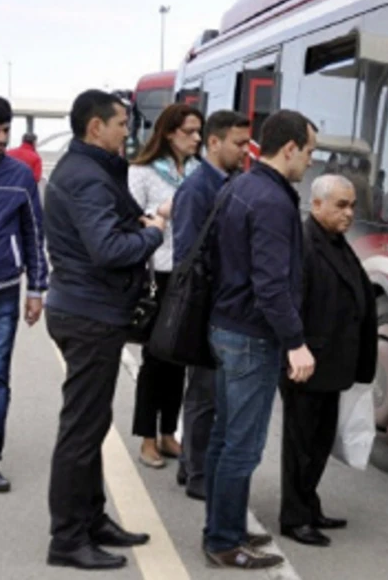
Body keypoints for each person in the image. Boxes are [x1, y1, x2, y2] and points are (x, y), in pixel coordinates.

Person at [43, 90, 165, 571]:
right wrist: (154, 230)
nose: (126, 133)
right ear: (96, 127)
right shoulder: (87, 178)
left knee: (89, 424)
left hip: (88, 309)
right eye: (120, 124)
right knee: (81, 429)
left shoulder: (88, 171)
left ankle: (91, 520)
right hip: (89, 313)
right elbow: (110, 249)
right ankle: (67, 538)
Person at [203, 110, 318, 570]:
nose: (311, 161)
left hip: (227, 325)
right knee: (243, 446)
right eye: (309, 151)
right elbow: (271, 283)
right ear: (289, 148)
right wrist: (296, 342)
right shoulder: (272, 201)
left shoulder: (239, 185)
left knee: (222, 438)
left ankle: (222, 523)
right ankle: (224, 540)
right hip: (252, 336)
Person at [280, 175, 376, 547]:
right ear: (316, 205)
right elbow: (293, 304)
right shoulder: (305, 244)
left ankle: (309, 505)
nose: (349, 213)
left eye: (352, 205)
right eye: (341, 205)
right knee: (301, 446)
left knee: (318, 444)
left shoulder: (336, 242)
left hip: (332, 364)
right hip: (309, 363)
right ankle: (294, 517)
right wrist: (295, 350)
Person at [172, 111, 252, 501]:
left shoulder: (236, 183)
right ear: (214, 143)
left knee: (215, 393)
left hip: (226, 304)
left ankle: (193, 464)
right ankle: (197, 471)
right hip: (205, 304)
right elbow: (186, 253)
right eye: (238, 143)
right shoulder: (195, 189)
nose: (244, 150)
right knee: (203, 392)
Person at [128, 103, 204, 471]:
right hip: (156, 272)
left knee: (179, 356)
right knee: (155, 360)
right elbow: (130, 217)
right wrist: (162, 212)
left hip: (188, 273)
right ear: (170, 132)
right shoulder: (141, 172)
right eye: (189, 131)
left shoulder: (199, 171)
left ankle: (169, 432)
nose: (196, 138)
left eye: (199, 131)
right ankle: (146, 437)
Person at [0, 96, 48, 494]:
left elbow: (34, 234)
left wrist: (38, 289)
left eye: (4, 130)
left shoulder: (20, 176)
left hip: (5, 295)